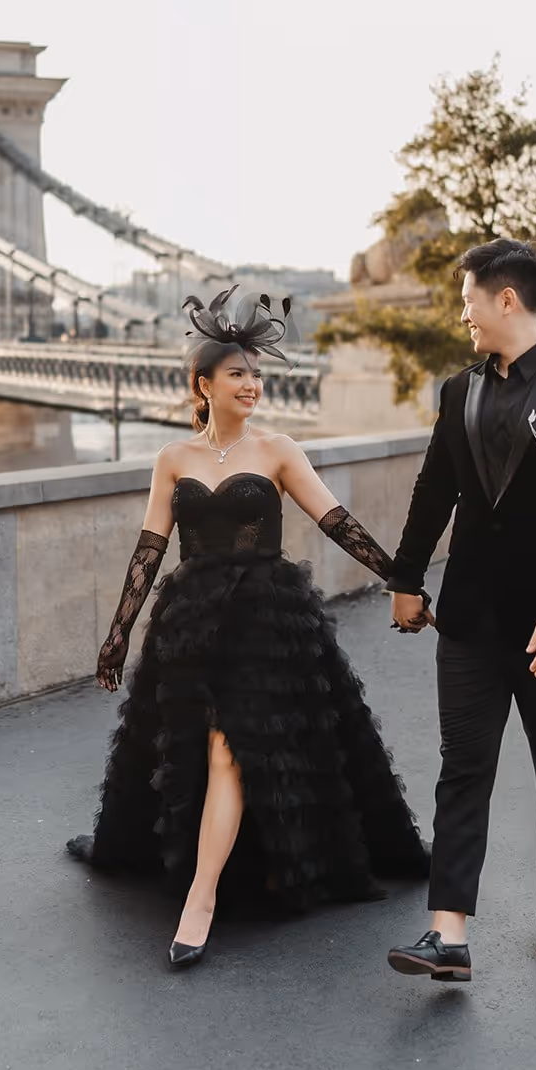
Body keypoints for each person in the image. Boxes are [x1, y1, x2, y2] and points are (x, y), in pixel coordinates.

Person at [66, 287, 430, 969]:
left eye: (256, 375)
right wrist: (118, 633)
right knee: (201, 751)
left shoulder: (279, 449)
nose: (252, 385)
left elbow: (336, 522)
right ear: (202, 384)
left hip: (266, 622)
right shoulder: (172, 459)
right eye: (237, 374)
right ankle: (220, 876)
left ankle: (199, 900)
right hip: (191, 625)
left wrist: (401, 578)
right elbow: (149, 549)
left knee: (229, 750)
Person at [384, 239, 536, 982]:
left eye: (468, 300)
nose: (462, 313)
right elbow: (433, 491)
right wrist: (405, 579)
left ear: (506, 300)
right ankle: (447, 934)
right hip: (468, 618)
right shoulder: (457, 392)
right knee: (463, 767)